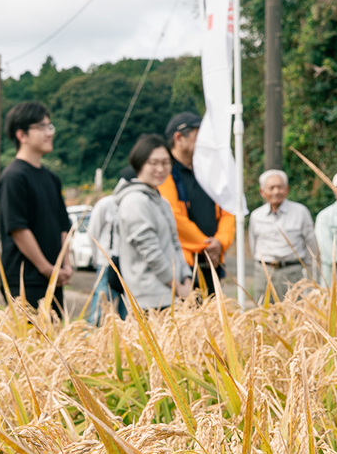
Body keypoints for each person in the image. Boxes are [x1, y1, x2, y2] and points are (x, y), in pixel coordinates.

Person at [0, 101, 71, 312]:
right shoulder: (13, 177)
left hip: (54, 278)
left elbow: (63, 226)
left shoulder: (52, 178)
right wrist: (46, 268)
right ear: (21, 135)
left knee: (56, 331)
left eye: (49, 126)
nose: (49, 133)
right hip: (25, 280)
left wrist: (65, 265)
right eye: (41, 127)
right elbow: (18, 229)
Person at [159, 111, 235, 294]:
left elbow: (229, 208)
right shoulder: (166, 173)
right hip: (183, 266)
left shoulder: (210, 170)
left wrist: (220, 242)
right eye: (199, 135)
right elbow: (174, 217)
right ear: (179, 138)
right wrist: (206, 245)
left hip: (213, 262)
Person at [114, 134, 192, 309]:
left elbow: (175, 243)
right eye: (153, 163)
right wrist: (177, 287)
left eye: (166, 163)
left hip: (172, 294)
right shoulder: (134, 201)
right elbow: (151, 252)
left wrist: (186, 277)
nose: (160, 169)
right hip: (149, 299)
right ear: (139, 163)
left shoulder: (162, 202)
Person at [248, 170, 318, 298]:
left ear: (287, 189)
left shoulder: (300, 212)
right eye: (271, 188)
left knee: (293, 309)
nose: (276, 191)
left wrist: (305, 270)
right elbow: (253, 245)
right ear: (262, 192)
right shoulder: (256, 216)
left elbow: (311, 244)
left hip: (292, 273)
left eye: (280, 187)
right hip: (264, 273)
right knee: (262, 309)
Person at [86, 193, 126, 323]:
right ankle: (92, 333)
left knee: (128, 313)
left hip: (130, 266)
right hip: (106, 263)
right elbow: (92, 233)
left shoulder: (137, 204)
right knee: (100, 310)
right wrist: (97, 259)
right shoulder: (105, 204)